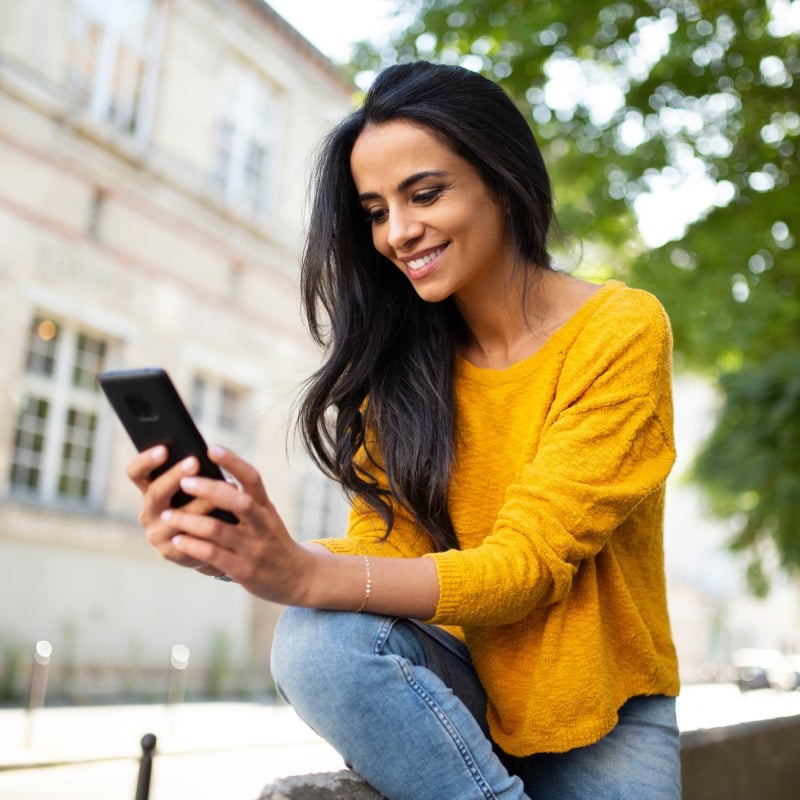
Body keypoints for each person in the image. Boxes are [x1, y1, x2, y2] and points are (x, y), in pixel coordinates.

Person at [127, 61, 681, 799]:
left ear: (503, 178)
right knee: (315, 641)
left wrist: (301, 569)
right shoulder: (405, 361)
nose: (398, 231)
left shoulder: (620, 329)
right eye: (376, 210)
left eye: (425, 194)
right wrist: (243, 548)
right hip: (459, 700)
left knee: (313, 599)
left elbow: (528, 568)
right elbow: (386, 550)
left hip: (601, 713)